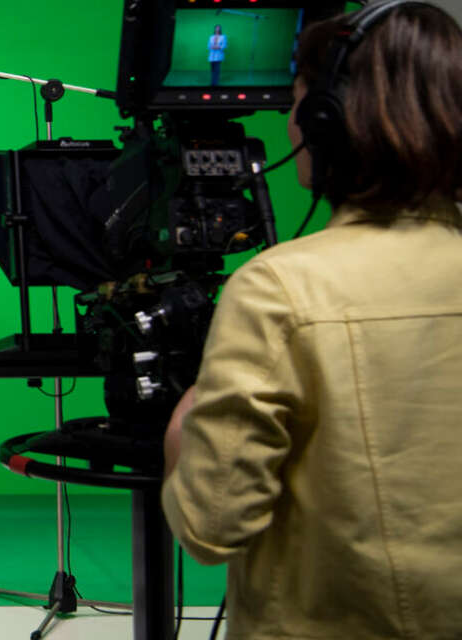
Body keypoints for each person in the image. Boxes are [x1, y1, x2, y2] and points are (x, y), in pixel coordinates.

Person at [162, 3, 462, 638]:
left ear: (327, 122)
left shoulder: (280, 290)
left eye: (297, 101)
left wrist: (186, 423)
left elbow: (212, 529)